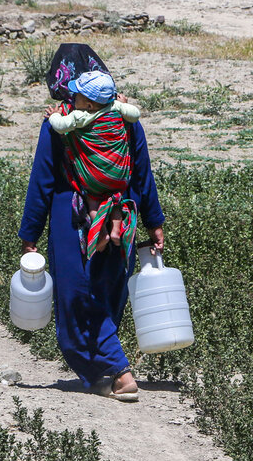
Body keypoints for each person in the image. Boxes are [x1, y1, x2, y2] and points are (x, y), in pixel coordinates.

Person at [19, 44, 165, 402]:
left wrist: (30, 233)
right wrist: (154, 222)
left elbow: (43, 179)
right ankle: (106, 372)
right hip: (122, 218)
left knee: (77, 299)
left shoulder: (60, 123)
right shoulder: (124, 118)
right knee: (107, 291)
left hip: (73, 221)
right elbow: (142, 172)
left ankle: (119, 373)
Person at [43, 70, 143, 255]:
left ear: (88, 105)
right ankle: (116, 230)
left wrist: (55, 115)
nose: (73, 98)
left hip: (95, 178)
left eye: (77, 95)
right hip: (119, 174)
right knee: (115, 197)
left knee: (93, 199)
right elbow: (135, 114)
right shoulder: (116, 108)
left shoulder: (80, 116)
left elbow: (60, 126)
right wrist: (124, 104)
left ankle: (101, 232)